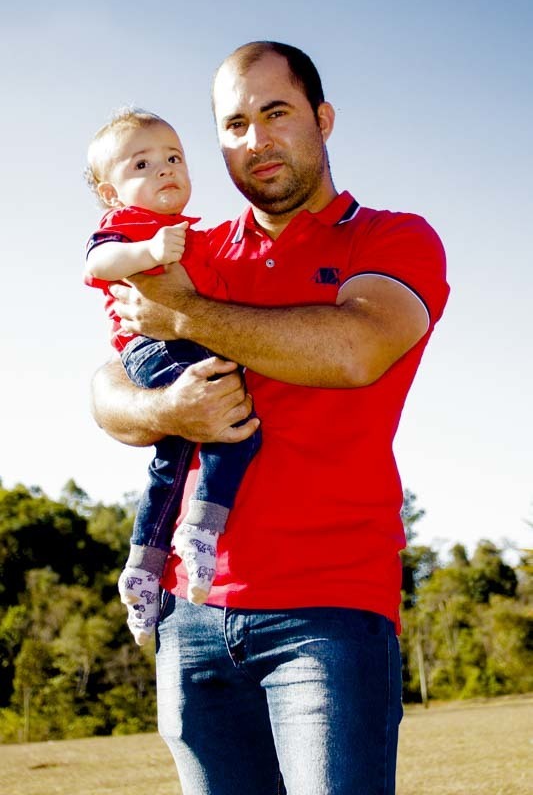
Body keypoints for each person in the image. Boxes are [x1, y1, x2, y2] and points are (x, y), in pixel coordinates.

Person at [91, 41, 449, 795]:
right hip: (190, 614)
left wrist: (184, 313)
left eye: (276, 113)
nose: (255, 140)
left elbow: (355, 348)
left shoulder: (390, 238)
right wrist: (165, 408)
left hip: (329, 611)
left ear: (323, 119)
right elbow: (107, 387)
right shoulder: (190, 248)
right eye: (234, 124)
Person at [84, 108, 260, 645]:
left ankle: (143, 567)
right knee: (233, 426)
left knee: (175, 456)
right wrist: (150, 251)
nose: (164, 169)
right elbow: (98, 264)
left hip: (183, 346)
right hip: (154, 348)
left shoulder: (195, 236)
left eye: (174, 158)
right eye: (142, 164)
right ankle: (200, 530)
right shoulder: (133, 225)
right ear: (112, 193)